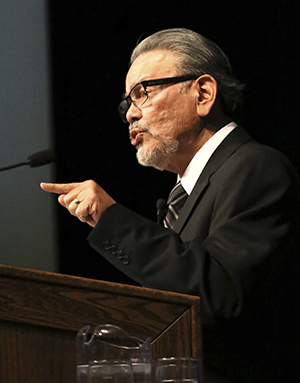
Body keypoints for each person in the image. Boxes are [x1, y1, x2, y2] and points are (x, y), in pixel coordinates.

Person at [41, 28, 300, 383]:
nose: (130, 115)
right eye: (127, 103)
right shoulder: (181, 196)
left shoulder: (257, 168)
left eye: (142, 93)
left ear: (204, 94)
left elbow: (220, 292)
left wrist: (110, 218)